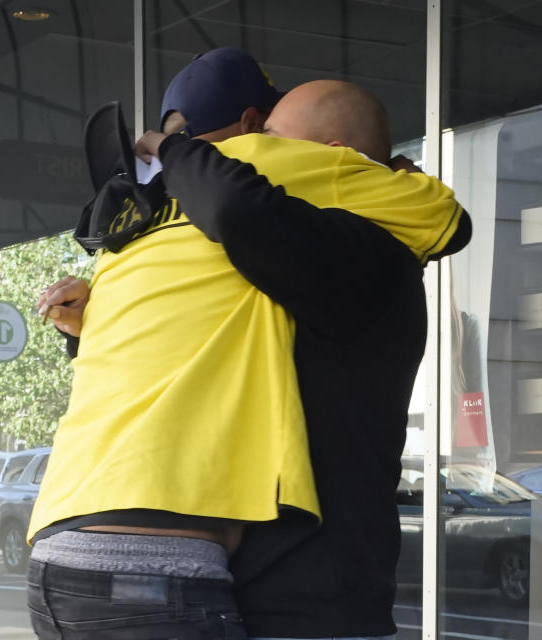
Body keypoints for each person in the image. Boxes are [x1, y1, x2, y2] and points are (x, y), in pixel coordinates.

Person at [30, 53, 470, 640]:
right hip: (262, 591)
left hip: (79, 553)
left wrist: (173, 152)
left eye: (270, 144)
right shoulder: (261, 255)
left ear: (333, 159)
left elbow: (245, 211)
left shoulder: (354, 254)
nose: (256, 156)